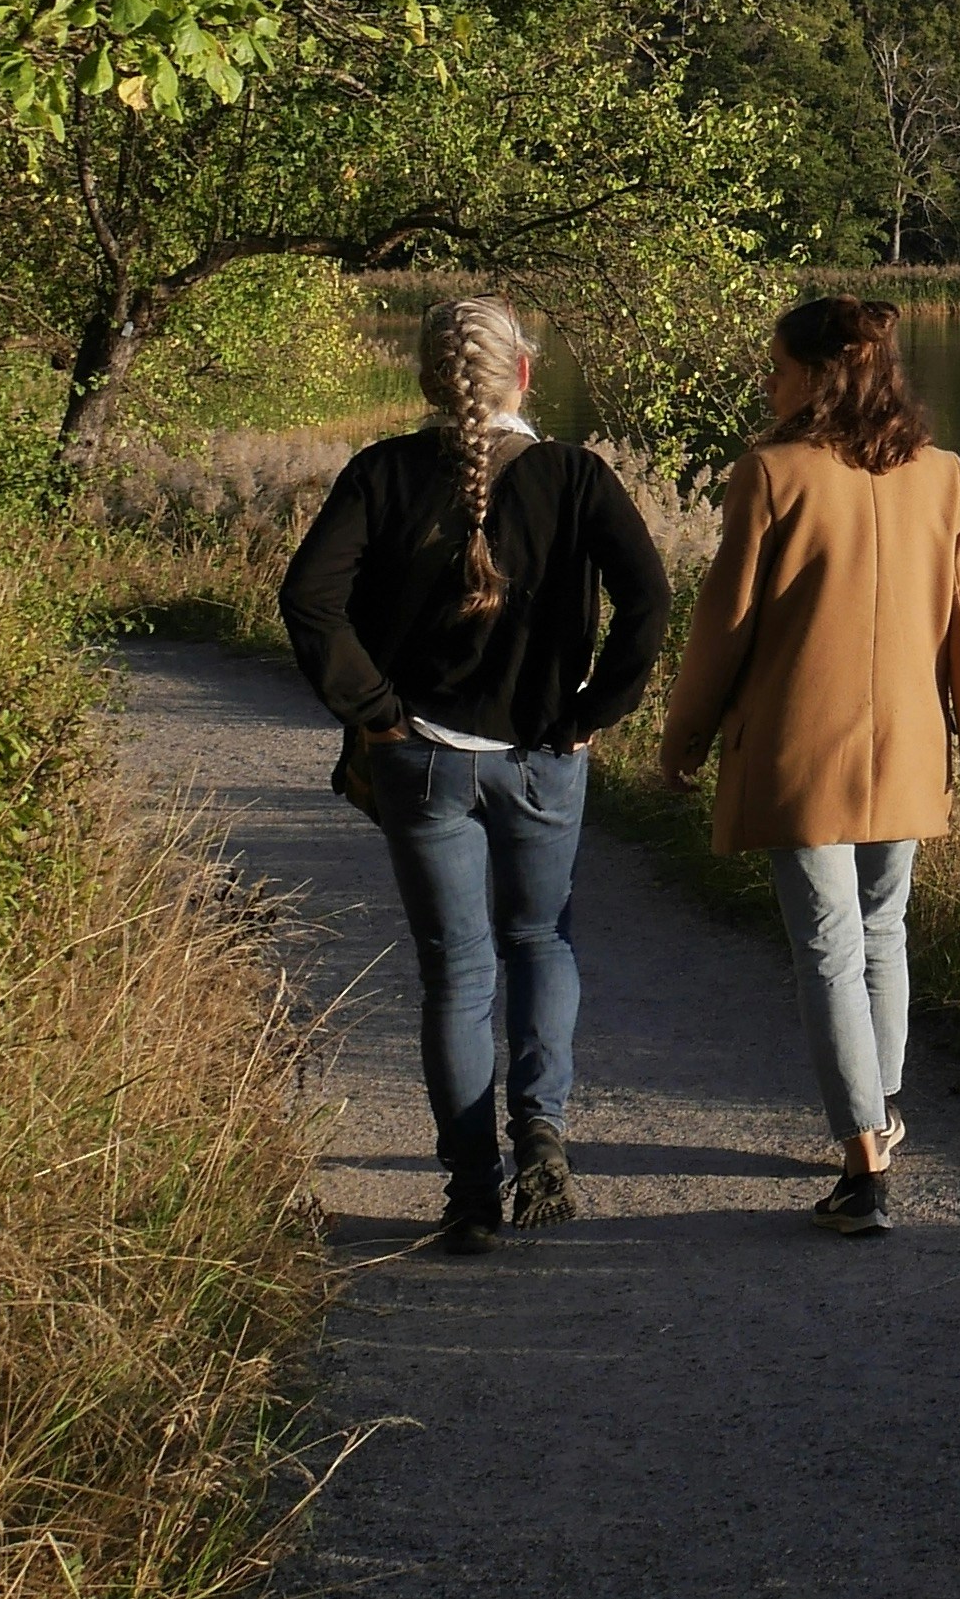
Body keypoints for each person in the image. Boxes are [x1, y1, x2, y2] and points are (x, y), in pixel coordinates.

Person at [281, 295, 669, 1253]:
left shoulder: (381, 474)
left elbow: (308, 599)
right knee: (541, 938)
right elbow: (651, 602)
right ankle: (542, 1129)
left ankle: (469, 1193)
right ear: (523, 374)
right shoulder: (576, 477)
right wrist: (589, 712)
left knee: (455, 972)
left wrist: (374, 713)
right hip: (543, 755)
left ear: (425, 379)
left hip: (418, 757)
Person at [655, 295, 960, 1238]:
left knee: (829, 940)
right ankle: (880, 1116)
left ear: (819, 372)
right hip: (905, 746)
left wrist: (682, 735)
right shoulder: (940, 474)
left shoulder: (770, 473)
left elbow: (722, 623)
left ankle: (863, 1159)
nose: (765, 381)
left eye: (774, 364)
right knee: (880, 928)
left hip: (797, 749)